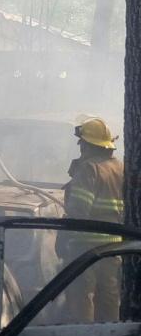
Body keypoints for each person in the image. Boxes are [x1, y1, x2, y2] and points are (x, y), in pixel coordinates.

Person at [56, 117, 123, 323]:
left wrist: (62, 236)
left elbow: (78, 211)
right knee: (109, 301)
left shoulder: (89, 169)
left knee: (81, 300)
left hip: (84, 250)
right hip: (114, 250)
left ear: (87, 144)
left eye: (82, 143)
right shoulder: (121, 169)